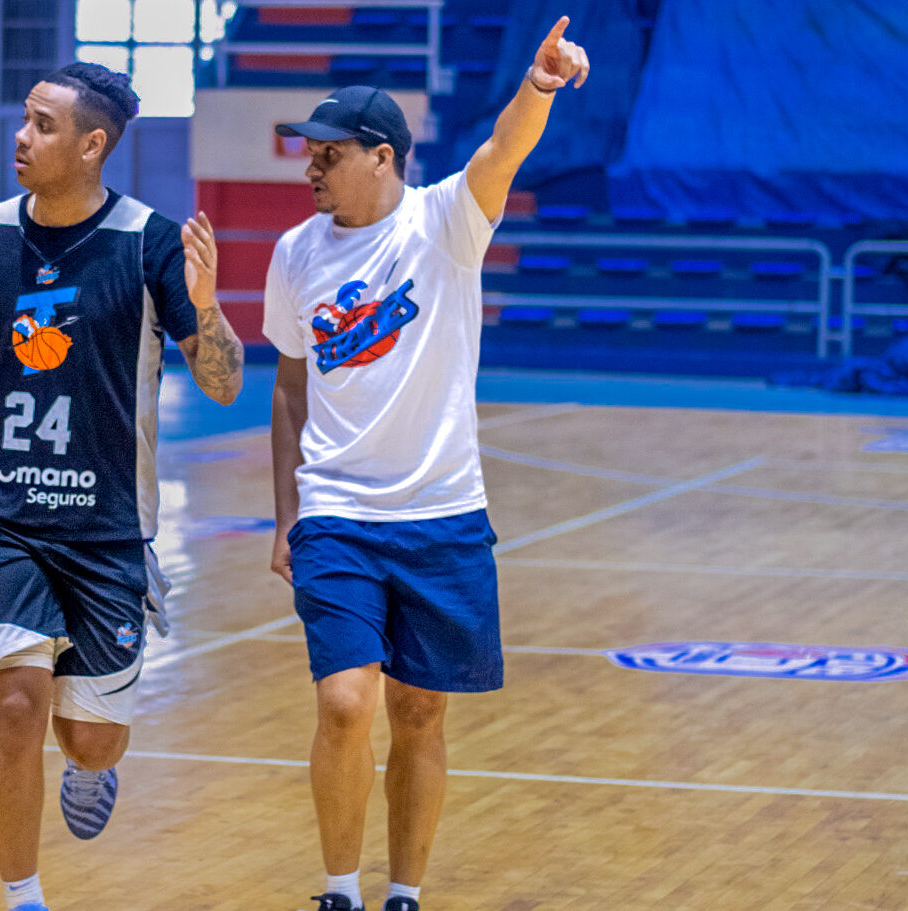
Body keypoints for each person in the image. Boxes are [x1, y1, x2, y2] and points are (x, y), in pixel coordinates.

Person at [264, 19, 589, 911]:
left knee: (419, 712)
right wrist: (287, 513)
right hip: (338, 515)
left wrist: (540, 83)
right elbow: (288, 393)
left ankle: (403, 890)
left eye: (325, 155)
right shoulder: (296, 254)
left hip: (442, 513)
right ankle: (339, 889)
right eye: (309, 154)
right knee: (343, 704)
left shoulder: (445, 220)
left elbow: (504, 147)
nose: (309, 169)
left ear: (380, 157)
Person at [0, 62, 243, 911]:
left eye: (43, 125)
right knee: (15, 704)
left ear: (92, 144)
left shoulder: (150, 241)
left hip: (105, 528)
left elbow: (224, 383)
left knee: (88, 740)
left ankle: (93, 761)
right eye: (24, 119)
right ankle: (24, 897)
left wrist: (205, 307)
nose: (21, 136)